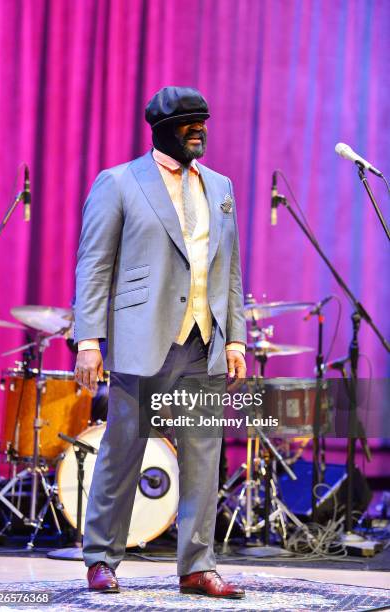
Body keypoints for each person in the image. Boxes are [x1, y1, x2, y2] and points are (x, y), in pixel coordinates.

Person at [74, 86, 247, 599]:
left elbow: (231, 271)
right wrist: (89, 338)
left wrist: (235, 339)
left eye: (203, 122)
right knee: (122, 452)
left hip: (204, 340)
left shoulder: (220, 186)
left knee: (203, 457)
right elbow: (94, 265)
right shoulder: (120, 182)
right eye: (190, 123)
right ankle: (102, 559)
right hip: (142, 338)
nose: (200, 131)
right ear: (162, 129)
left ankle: (197, 566)